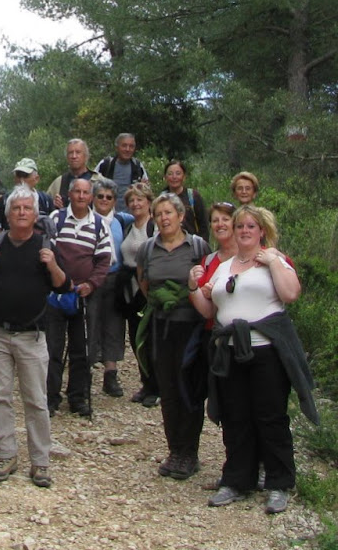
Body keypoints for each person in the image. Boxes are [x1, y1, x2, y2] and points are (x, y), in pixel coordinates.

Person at [190, 205, 317, 514]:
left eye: (250, 226)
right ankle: (237, 480)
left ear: (262, 231)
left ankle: (278, 483)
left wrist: (273, 261)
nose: (244, 231)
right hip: (230, 352)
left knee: (270, 416)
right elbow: (209, 311)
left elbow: (290, 294)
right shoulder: (223, 266)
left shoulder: (274, 260)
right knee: (236, 417)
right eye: (240, 226)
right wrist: (193, 286)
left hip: (267, 352)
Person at [0, 185, 70, 488]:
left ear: (35, 213)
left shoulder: (46, 244)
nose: (22, 213)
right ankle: (6, 453)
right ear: (8, 213)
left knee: (36, 400)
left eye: (27, 208)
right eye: (17, 208)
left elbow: (63, 285)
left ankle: (40, 461)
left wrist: (51, 264)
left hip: (31, 335)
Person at [136, 193, 210, 480]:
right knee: (167, 388)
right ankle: (175, 450)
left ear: (181, 216)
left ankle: (190, 452)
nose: (164, 218)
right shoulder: (147, 249)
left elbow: (206, 280)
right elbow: (145, 284)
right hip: (161, 325)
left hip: (190, 326)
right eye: (159, 213)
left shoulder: (197, 246)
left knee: (189, 388)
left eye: (169, 212)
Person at [45, 178, 112, 417]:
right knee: (52, 347)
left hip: (85, 295)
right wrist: (59, 279)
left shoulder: (99, 224)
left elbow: (104, 260)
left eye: (86, 193)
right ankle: (50, 397)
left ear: (91, 197)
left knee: (82, 347)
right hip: (56, 293)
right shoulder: (56, 219)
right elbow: (48, 252)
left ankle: (78, 396)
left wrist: (91, 284)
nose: (82, 196)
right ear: (70, 194)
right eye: (77, 192)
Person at [88, 178, 134, 397]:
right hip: (92, 279)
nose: (104, 200)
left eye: (109, 197)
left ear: (115, 200)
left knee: (114, 326)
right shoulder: (86, 219)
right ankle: (84, 375)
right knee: (90, 323)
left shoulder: (122, 220)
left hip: (115, 278)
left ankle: (111, 375)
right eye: (100, 196)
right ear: (93, 198)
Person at [119, 183, 159, 406]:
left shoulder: (154, 228)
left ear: (148, 202)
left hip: (148, 288)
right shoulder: (128, 227)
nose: (135, 204)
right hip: (130, 289)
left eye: (140, 200)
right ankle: (146, 382)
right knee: (135, 337)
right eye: (132, 201)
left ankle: (157, 386)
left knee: (151, 338)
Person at [0, 158, 52, 231]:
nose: (21, 180)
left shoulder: (46, 200)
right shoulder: (5, 200)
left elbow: (51, 227)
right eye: (19, 175)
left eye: (25, 176)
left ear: (36, 178)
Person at [94, 133, 149, 211]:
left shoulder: (137, 166)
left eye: (131, 146)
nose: (127, 149)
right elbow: (91, 185)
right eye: (124, 146)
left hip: (132, 214)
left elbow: (146, 191)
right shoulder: (105, 164)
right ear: (117, 147)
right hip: (107, 214)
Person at [46, 139, 103, 209]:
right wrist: (54, 205)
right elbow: (46, 204)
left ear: (86, 156)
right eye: (70, 153)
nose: (74, 156)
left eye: (78, 152)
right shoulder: (59, 182)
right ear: (67, 157)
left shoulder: (99, 182)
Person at [163, 160, 209, 238]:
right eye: (170, 174)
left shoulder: (193, 196)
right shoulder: (161, 198)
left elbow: (203, 225)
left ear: (184, 177)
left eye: (178, 173)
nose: (174, 177)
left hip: (191, 245)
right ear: (165, 177)